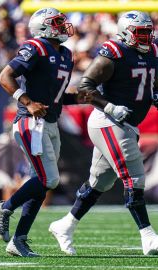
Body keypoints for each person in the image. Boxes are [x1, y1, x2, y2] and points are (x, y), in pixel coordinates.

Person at [49, 11, 158, 256]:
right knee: (134, 177)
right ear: (126, 32)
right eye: (140, 33)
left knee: (101, 182)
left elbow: (152, 83)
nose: (145, 38)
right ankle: (149, 236)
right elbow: (85, 87)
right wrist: (109, 106)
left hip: (127, 124)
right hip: (108, 121)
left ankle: (64, 225)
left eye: (148, 32)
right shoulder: (114, 53)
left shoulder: (153, 51)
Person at [0, 7, 76, 257]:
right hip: (29, 122)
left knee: (41, 183)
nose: (63, 26)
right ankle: (4, 208)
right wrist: (27, 102)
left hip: (50, 121)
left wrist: (83, 97)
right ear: (43, 26)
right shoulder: (36, 47)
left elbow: (56, 97)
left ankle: (18, 240)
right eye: (57, 23)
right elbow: (5, 76)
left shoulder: (66, 54)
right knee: (49, 179)